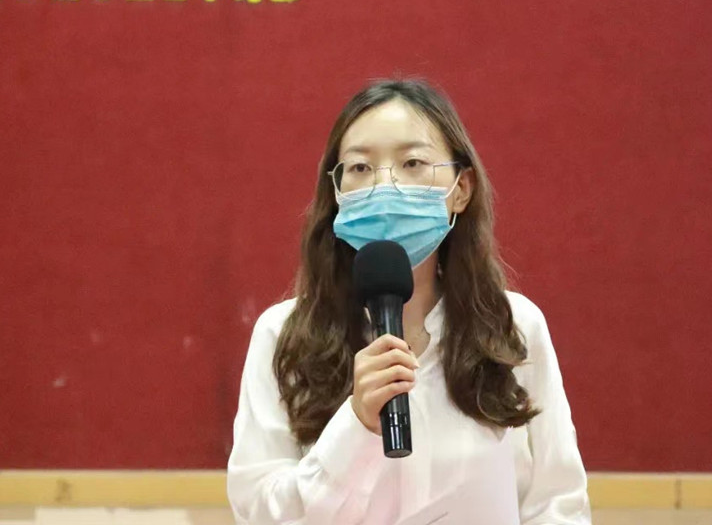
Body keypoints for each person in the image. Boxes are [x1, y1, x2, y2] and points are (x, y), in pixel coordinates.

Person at [227, 80, 591, 524]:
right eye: (360, 167)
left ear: (461, 187)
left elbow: (556, 503)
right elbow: (261, 513)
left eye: (412, 162)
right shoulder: (282, 335)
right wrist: (356, 424)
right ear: (337, 194)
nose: (386, 185)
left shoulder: (514, 327)